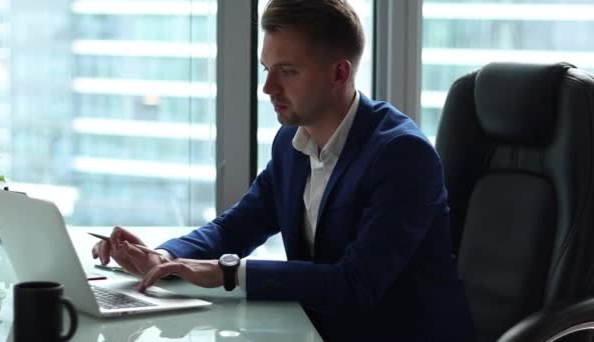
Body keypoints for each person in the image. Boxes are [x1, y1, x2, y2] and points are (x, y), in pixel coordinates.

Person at [93, 0, 475, 340]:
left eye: (287, 71)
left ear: (339, 74)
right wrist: (162, 257)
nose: (268, 87)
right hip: (320, 327)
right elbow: (237, 227)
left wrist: (230, 274)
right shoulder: (292, 143)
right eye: (266, 69)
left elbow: (356, 284)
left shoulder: (401, 154)